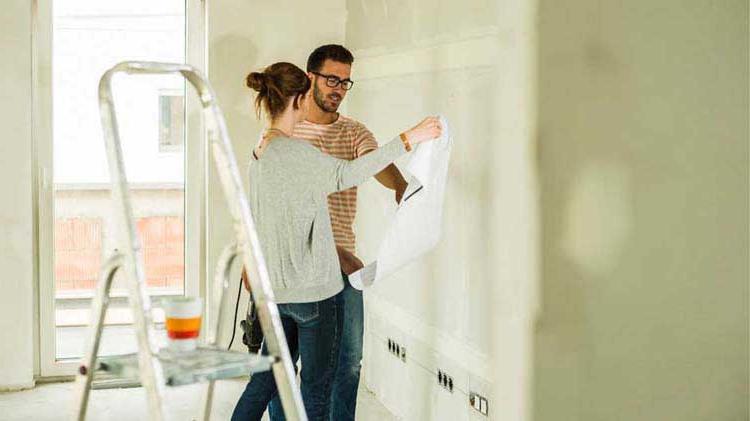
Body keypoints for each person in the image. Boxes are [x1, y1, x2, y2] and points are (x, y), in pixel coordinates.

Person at [231, 61, 441, 421]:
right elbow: (347, 174)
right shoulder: (297, 153)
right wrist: (410, 138)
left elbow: (270, 221)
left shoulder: (261, 154)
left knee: (266, 381)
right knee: (316, 389)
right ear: (299, 97)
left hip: (277, 293)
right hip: (314, 297)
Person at [265, 44, 408, 421]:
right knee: (281, 365)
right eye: (331, 79)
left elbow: (372, 162)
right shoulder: (283, 134)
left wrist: (400, 186)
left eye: (345, 83)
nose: (338, 89)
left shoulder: (354, 132)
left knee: (347, 362)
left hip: (343, 268)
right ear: (309, 77)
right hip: (291, 266)